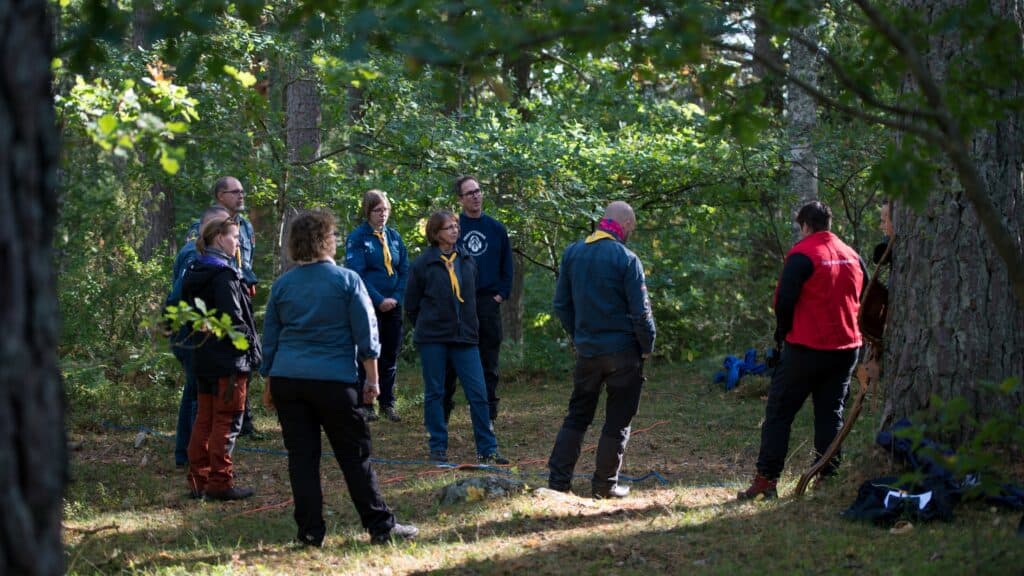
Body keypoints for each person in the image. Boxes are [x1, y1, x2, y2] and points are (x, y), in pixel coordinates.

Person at [261, 211, 417, 547]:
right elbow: (366, 333)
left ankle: (309, 533)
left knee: (301, 459)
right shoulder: (347, 280)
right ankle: (380, 526)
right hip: (334, 381)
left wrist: (269, 382)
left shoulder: (283, 285)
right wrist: (373, 380)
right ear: (325, 240)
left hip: (289, 380)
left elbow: (270, 340)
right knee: (354, 456)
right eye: (332, 235)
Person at [737, 201, 867, 500]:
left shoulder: (802, 255)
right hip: (847, 348)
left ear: (805, 225)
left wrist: (781, 336)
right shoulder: (853, 256)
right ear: (828, 222)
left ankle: (766, 481)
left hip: (806, 348)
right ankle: (827, 477)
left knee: (780, 412)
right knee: (830, 413)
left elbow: (784, 302)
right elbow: (867, 295)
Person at [547, 201, 656, 499]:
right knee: (618, 418)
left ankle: (558, 482)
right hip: (623, 353)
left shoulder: (572, 253)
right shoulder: (626, 258)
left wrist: (578, 336)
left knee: (577, 415)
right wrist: (647, 346)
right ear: (623, 224)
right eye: (631, 227)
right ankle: (605, 484)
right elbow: (641, 312)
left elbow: (561, 305)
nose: (631, 232)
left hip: (588, 352)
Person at [405, 210, 508, 465]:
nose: (455, 231)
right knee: (436, 392)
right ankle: (437, 447)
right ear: (435, 233)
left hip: (465, 337)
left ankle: (488, 448)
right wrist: (430, 326)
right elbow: (411, 305)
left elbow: (471, 297)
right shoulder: (422, 264)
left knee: (478, 392)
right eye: (448, 227)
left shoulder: (467, 260)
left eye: (456, 226)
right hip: (433, 338)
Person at [181, 215, 261, 501]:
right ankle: (219, 482)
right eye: (234, 237)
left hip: (203, 356)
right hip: (228, 361)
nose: (238, 242)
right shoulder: (223, 275)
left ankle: (199, 480)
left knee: (205, 418)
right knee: (225, 421)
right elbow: (234, 322)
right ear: (219, 238)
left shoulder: (194, 271)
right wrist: (250, 345)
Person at [186, 176, 260, 436]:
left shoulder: (246, 227)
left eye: (243, 191)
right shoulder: (202, 226)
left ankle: (245, 419)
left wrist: (247, 278)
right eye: (235, 192)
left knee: (241, 366)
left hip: (237, 294)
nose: (241, 196)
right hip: (214, 305)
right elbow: (195, 262)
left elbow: (245, 261)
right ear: (220, 195)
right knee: (209, 380)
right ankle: (203, 440)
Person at [443, 175, 514, 424]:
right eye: (469, 192)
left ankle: (487, 418)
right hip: (458, 304)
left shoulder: (496, 229)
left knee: (488, 364)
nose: (475, 195)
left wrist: (499, 296)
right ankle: (442, 417)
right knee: (450, 365)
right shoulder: (452, 228)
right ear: (460, 199)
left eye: (478, 191)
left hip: (487, 303)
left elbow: (508, 267)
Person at [166, 205, 229, 467]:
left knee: (196, 392)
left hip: (197, 333)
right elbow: (179, 295)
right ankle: (190, 455)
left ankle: (190, 452)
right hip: (193, 334)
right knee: (196, 394)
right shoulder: (195, 254)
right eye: (225, 227)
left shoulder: (211, 254)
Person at [345, 190, 409, 423]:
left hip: (393, 305)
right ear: (368, 211)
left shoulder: (394, 237)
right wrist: (379, 299)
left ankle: (388, 403)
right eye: (377, 210)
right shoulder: (358, 238)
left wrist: (396, 297)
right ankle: (365, 403)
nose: (382, 215)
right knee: (367, 352)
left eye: (385, 210)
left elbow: (404, 270)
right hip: (368, 305)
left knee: (389, 354)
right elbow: (357, 274)